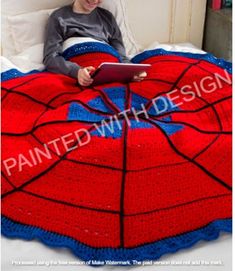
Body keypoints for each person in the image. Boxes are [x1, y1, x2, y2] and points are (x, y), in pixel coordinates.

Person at [43, 0, 147, 86]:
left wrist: (130, 71)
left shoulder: (107, 17)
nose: (95, 1)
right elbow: (51, 57)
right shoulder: (59, 17)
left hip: (110, 71)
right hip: (81, 71)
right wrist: (76, 71)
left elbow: (121, 54)